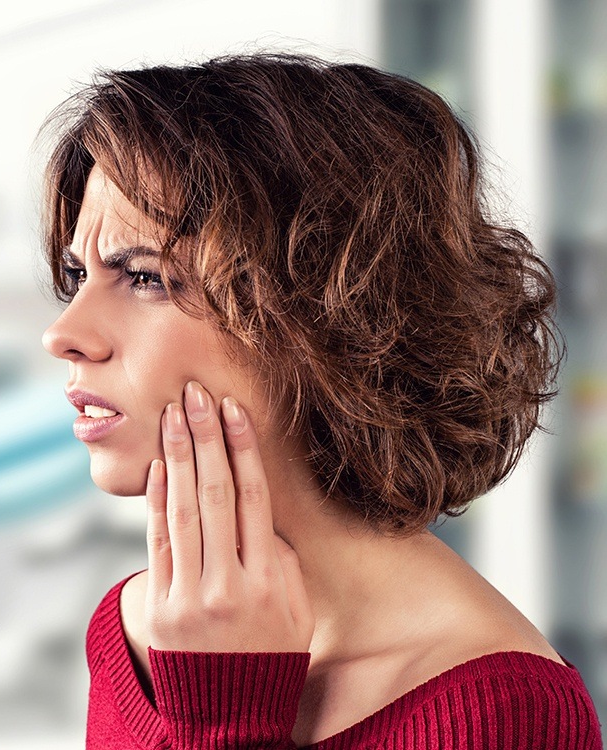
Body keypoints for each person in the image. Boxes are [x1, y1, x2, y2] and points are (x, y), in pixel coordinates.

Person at [40, 53, 603, 749]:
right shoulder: (132, 631)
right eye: (77, 273)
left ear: (325, 315)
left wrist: (224, 720)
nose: (64, 335)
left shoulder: (504, 715)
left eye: (146, 278)